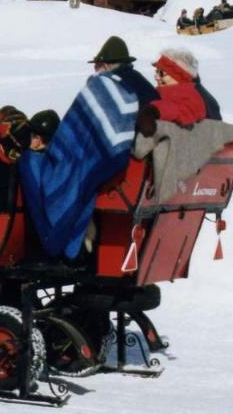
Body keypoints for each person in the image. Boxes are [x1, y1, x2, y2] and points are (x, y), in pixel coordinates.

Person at [19, 37, 157, 260]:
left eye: (97, 66)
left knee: (40, 166)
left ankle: (53, 232)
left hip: (117, 171)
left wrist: (59, 150)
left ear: (106, 65)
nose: (94, 70)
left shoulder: (104, 85)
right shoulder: (142, 84)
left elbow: (79, 128)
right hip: (134, 163)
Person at [136, 48, 206, 134]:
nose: (156, 77)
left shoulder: (188, 93)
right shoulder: (160, 91)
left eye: (161, 73)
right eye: (156, 72)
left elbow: (180, 109)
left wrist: (155, 110)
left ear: (178, 76)